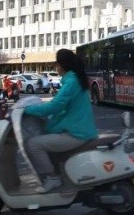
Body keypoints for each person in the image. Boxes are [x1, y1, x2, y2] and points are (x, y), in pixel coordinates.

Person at [23, 49, 98, 193]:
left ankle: (53, 178)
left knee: (33, 144)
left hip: (76, 134)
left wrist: (26, 110)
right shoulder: (74, 80)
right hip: (79, 130)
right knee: (44, 137)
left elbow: (54, 106)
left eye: (56, 64)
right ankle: (58, 175)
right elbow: (60, 106)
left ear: (62, 65)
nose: (55, 67)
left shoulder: (71, 82)